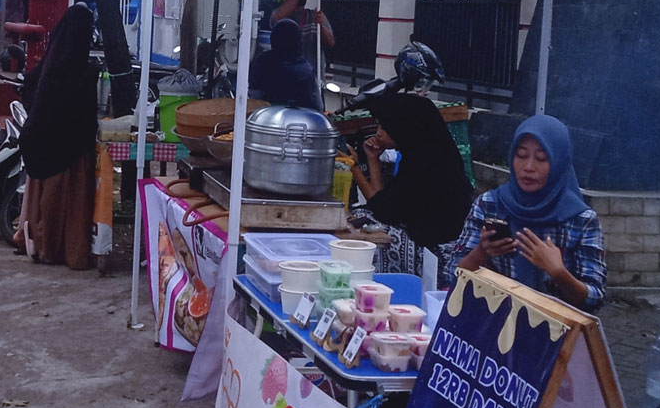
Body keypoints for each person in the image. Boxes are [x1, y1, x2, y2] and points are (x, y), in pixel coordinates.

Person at [450, 115, 606, 312]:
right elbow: (453, 275)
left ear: (560, 162)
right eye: (521, 155)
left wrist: (559, 273)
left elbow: (595, 298)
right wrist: (481, 253)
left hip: (556, 336)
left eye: (541, 158)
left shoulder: (581, 220)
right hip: (493, 327)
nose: (529, 167)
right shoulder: (490, 205)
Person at [350, 93, 474, 277]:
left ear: (405, 127)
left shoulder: (430, 165)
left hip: (437, 255)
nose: (378, 132)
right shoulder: (418, 155)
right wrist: (372, 159)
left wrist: (353, 168)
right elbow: (381, 202)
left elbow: (383, 210)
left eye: (385, 126)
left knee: (364, 242)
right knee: (361, 218)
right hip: (421, 237)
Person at [13, 4, 98, 269]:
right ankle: (66, 250)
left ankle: (42, 245)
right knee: (71, 206)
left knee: (46, 203)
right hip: (71, 154)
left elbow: (30, 89)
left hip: (42, 144)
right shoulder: (81, 72)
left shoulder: (50, 64)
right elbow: (84, 115)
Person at [248, 19, 322, 109]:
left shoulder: (262, 62)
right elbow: (318, 106)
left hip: (265, 118)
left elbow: (254, 95)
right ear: (298, 41)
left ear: (273, 38)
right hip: (301, 119)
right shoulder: (306, 69)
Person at [270, 0, 334, 70]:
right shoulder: (280, 14)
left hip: (312, 74)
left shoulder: (315, 15)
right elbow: (276, 19)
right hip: (288, 73)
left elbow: (330, 42)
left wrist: (320, 26)